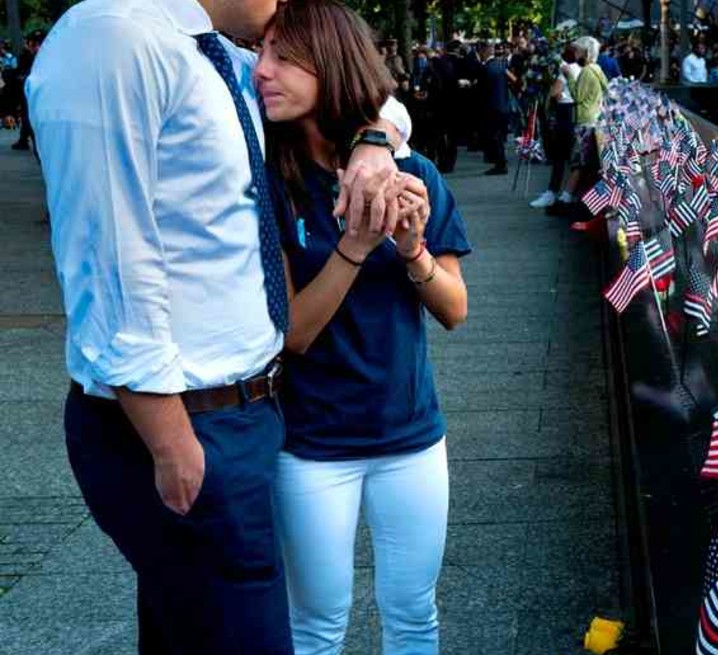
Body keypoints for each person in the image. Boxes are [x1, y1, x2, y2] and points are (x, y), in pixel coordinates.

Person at [26, 0, 407, 651]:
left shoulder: (221, 57)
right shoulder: (114, 35)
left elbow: (369, 95)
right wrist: (173, 442)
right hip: (180, 419)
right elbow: (110, 254)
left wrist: (373, 142)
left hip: (243, 414)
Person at [254, 2, 470, 652]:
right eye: (260, 53)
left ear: (331, 65)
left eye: (282, 58)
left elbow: (455, 308)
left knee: (413, 615)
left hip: (412, 436)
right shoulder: (271, 183)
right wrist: (354, 245)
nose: (262, 71)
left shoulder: (417, 174)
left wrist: (410, 249)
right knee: (316, 625)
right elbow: (292, 333)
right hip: (314, 445)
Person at [555, 35, 608, 222]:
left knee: (578, 163)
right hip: (593, 119)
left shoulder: (586, 72)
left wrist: (569, 77)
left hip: (584, 121)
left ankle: (565, 200)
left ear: (585, 53)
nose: (575, 54)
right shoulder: (597, 69)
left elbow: (577, 96)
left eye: (577, 51)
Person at [531, 43, 578, 210]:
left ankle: (553, 192)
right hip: (574, 112)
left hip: (565, 112)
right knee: (570, 156)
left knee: (560, 155)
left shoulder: (567, 70)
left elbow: (554, 92)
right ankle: (564, 193)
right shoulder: (582, 69)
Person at [482, 43, 514, 175]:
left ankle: (500, 163)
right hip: (503, 105)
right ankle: (501, 162)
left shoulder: (488, 68)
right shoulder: (502, 66)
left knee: (495, 136)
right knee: (500, 136)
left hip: (492, 106)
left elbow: (483, 90)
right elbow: (514, 81)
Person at [10, 31, 40, 151]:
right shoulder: (37, 54)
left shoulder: (27, 55)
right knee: (26, 114)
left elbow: (22, 72)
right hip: (31, 90)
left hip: (28, 89)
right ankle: (24, 139)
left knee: (27, 114)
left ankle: (28, 141)